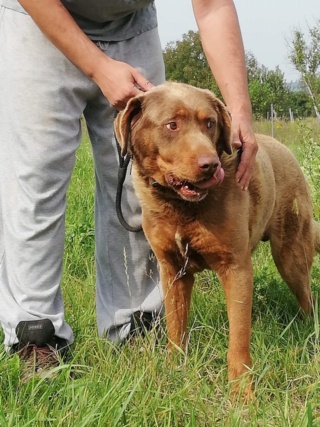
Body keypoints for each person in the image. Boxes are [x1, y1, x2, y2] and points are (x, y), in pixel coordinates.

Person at [0, 0, 258, 368]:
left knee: (140, 195)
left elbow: (213, 6)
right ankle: (35, 335)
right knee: (34, 185)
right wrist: (98, 67)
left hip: (131, 28)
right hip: (39, 24)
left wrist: (240, 111)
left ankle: (135, 327)